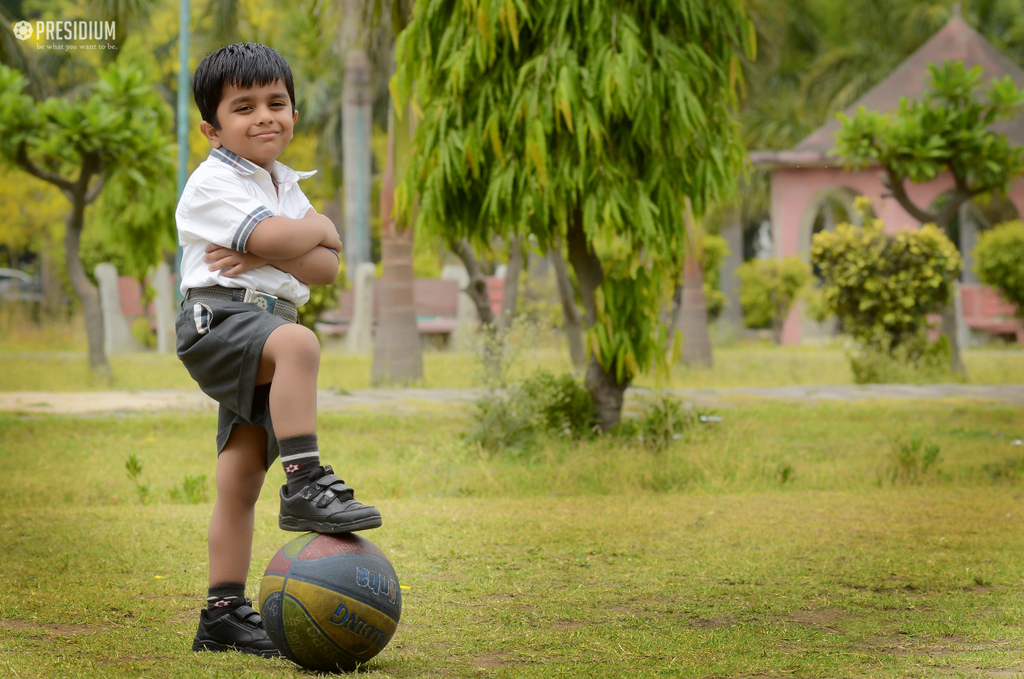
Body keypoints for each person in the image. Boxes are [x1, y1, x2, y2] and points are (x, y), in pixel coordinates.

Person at [175, 42, 381, 657]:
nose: (265, 116)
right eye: (244, 107)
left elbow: (324, 267)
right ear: (213, 129)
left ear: (292, 111)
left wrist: (283, 245)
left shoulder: (285, 184)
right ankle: (305, 483)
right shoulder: (212, 183)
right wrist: (312, 230)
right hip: (221, 320)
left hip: (258, 329)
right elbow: (305, 237)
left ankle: (222, 613)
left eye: (277, 103)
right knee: (299, 343)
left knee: (238, 477)